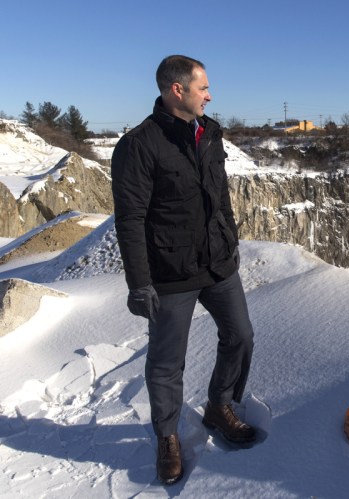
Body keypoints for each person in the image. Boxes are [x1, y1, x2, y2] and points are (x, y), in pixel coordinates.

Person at [111, 55, 256, 485]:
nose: (210, 95)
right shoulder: (139, 145)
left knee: (241, 335)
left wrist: (229, 238)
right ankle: (168, 437)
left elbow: (220, 194)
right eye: (203, 88)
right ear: (178, 90)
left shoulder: (210, 132)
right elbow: (130, 220)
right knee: (165, 363)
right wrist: (140, 285)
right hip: (171, 272)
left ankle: (219, 405)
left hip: (217, 263)